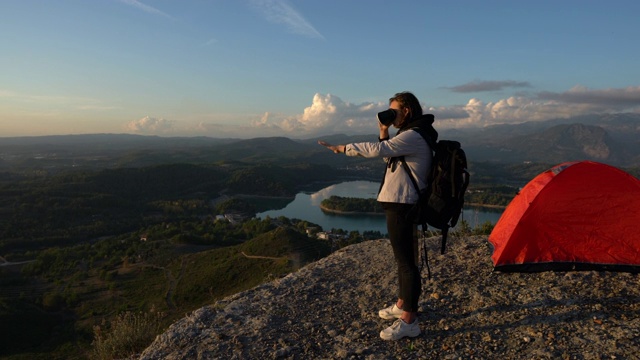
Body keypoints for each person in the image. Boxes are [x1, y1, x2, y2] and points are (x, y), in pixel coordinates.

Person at [318, 91, 437, 341]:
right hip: (399, 203)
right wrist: (384, 128)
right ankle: (402, 304)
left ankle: (409, 321)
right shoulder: (411, 134)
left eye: (394, 111)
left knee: (407, 263)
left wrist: (343, 148)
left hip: (403, 204)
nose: (391, 115)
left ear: (408, 111)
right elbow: (388, 154)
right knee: (402, 259)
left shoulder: (414, 135)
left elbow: (377, 150)